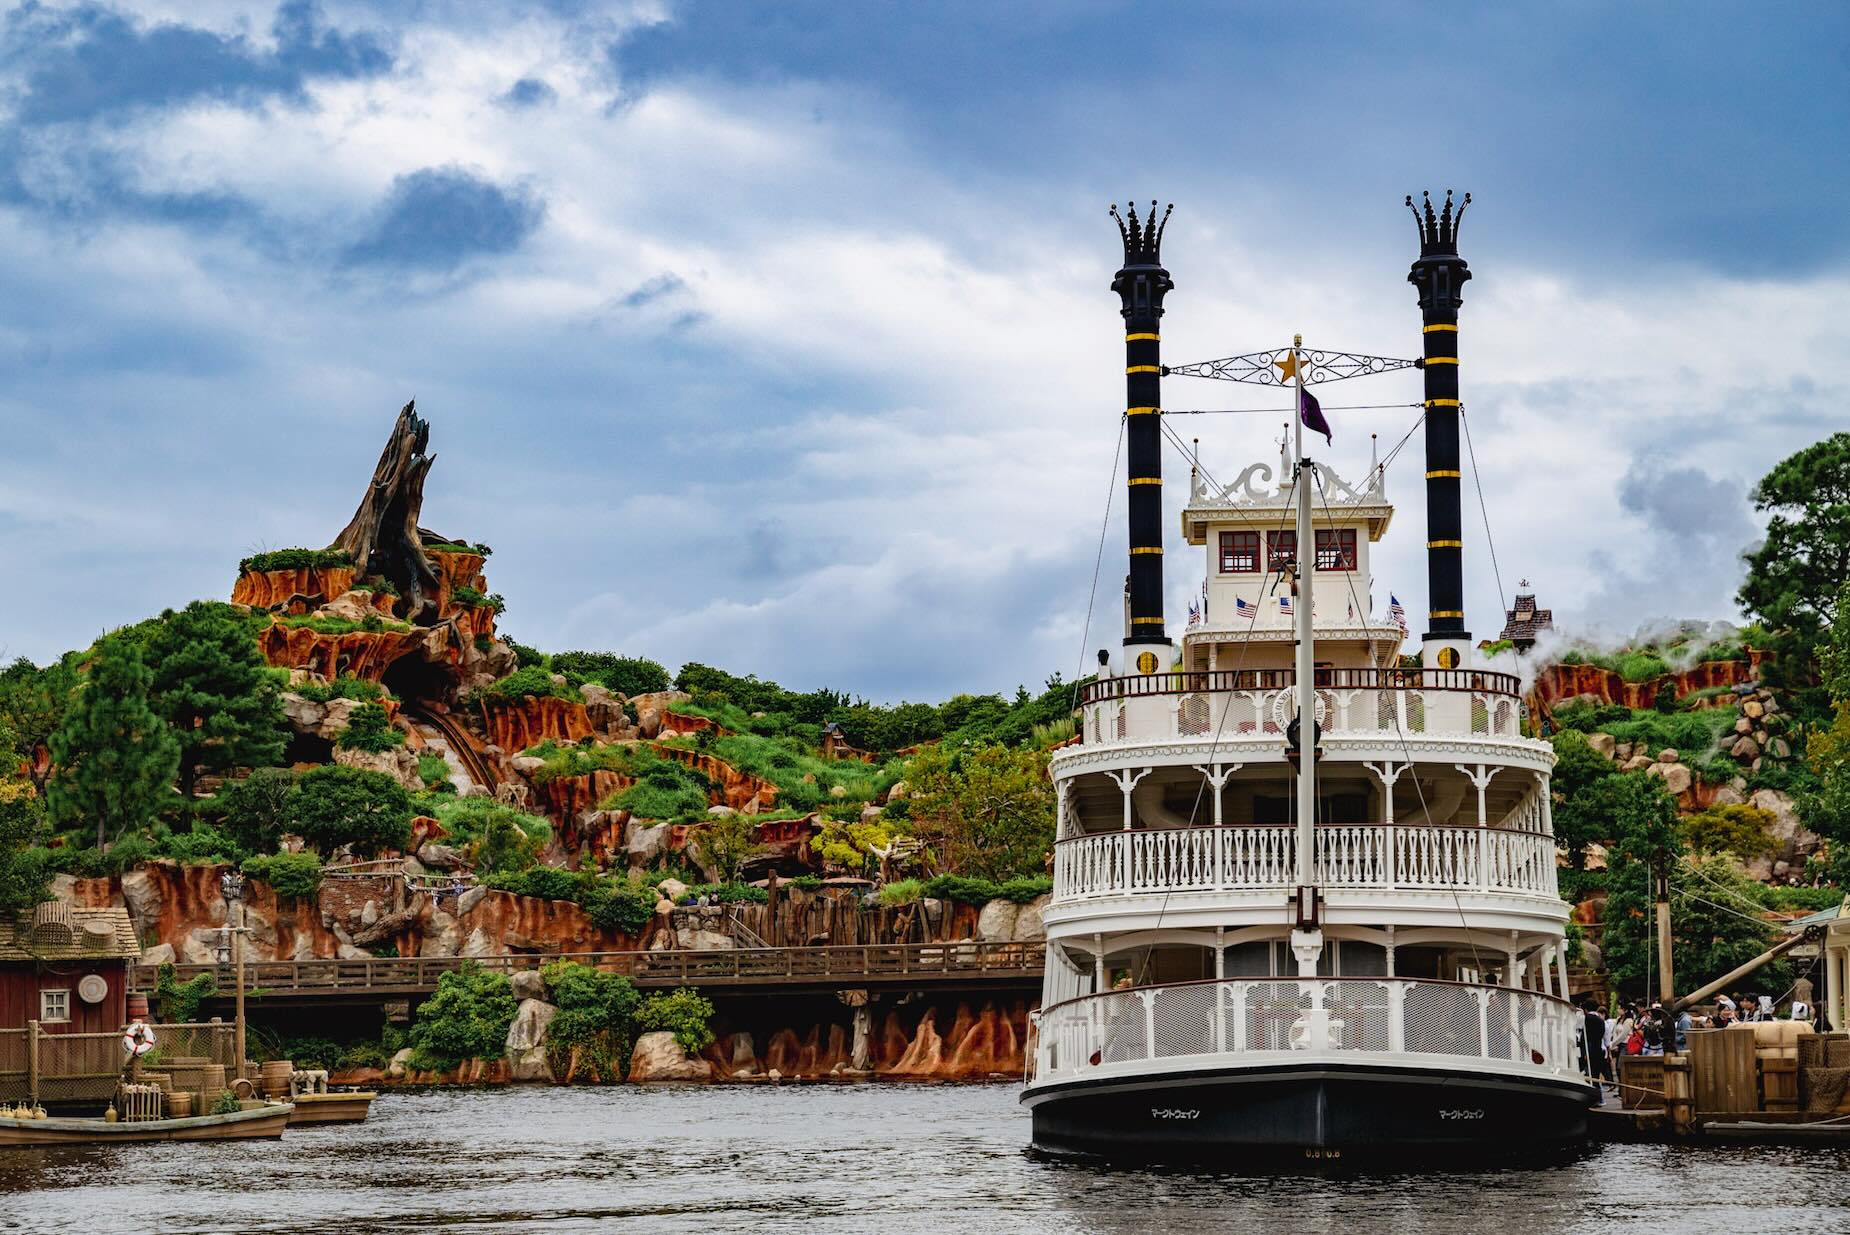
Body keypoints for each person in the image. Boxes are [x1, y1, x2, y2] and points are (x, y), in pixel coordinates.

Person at [1583, 1002, 1612, 1089]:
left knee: (1589, 1075)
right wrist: (1608, 1052)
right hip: (1599, 1049)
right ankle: (1600, 1096)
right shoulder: (1601, 1021)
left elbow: (1583, 1036)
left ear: (1586, 1010)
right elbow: (1606, 1038)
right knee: (1596, 1075)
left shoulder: (1585, 1019)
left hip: (1588, 1050)